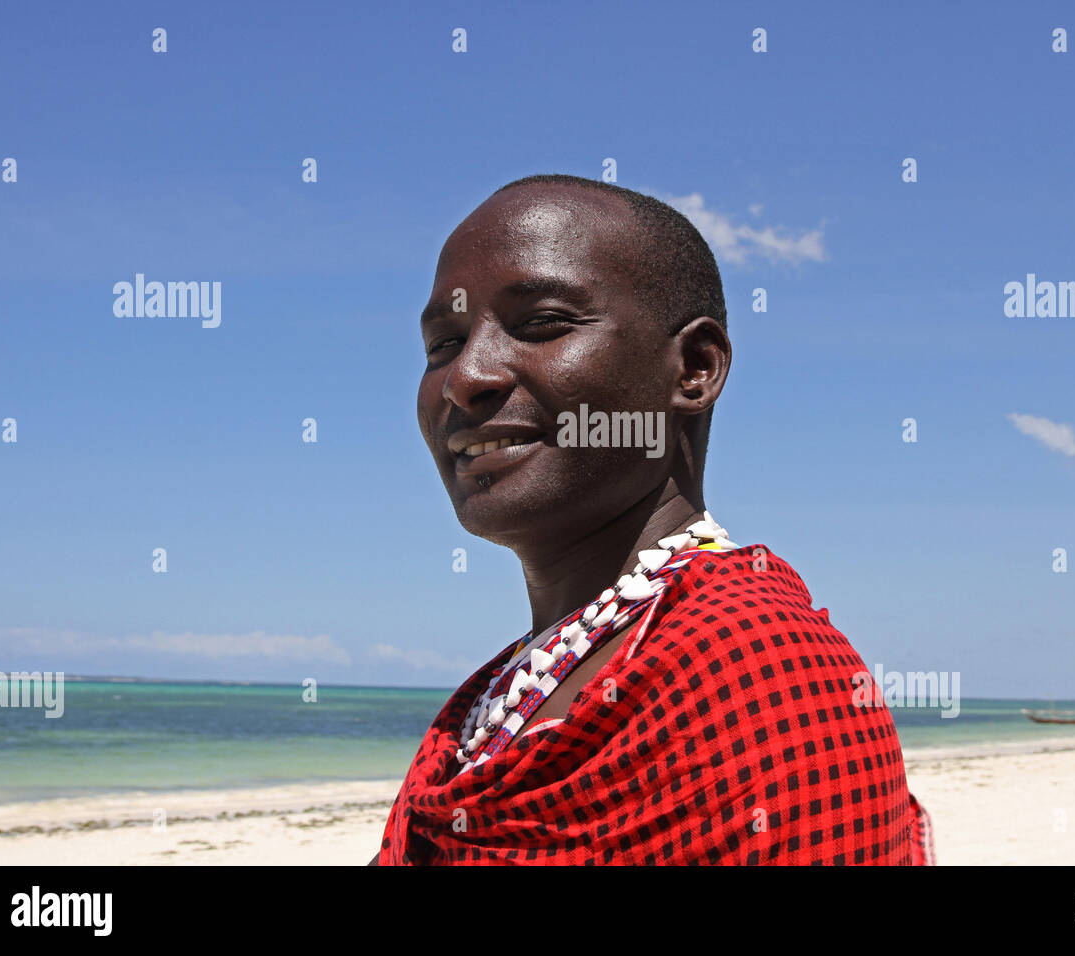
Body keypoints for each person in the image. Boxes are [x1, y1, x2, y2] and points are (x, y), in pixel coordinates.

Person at [373, 173, 934, 864]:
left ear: (693, 369)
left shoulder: (753, 677)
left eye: (542, 324)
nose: (467, 376)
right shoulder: (495, 699)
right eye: (443, 347)